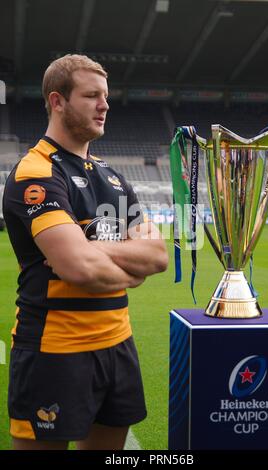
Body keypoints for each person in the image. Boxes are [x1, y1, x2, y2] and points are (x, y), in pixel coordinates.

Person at [3, 54, 168, 450]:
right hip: (55, 350)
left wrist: (93, 248)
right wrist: (126, 261)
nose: (104, 105)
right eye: (92, 95)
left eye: (106, 96)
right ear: (57, 101)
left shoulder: (112, 176)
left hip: (118, 343)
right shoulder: (37, 173)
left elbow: (158, 256)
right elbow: (79, 269)